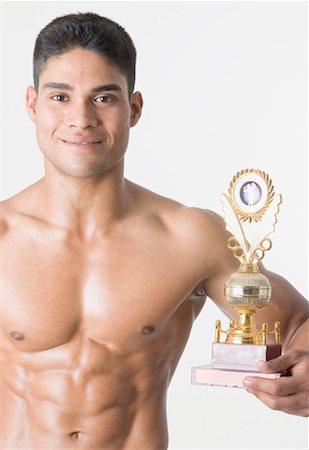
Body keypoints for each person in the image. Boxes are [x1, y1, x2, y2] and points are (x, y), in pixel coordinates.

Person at [1, 12, 308, 449]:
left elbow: (298, 321)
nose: (81, 118)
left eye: (104, 98)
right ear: (32, 105)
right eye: (60, 97)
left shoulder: (189, 237)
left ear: (135, 108)